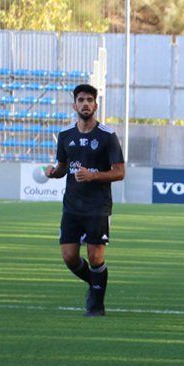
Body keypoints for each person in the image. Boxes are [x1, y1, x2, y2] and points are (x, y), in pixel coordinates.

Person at [45, 84, 125, 317]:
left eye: (89, 100)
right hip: (71, 206)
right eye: (81, 100)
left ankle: (96, 306)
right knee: (69, 257)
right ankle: (95, 284)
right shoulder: (65, 136)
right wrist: (52, 172)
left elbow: (119, 172)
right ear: (74, 105)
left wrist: (94, 175)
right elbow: (62, 168)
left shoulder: (107, 136)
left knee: (95, 256)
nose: (85, 104)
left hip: (97, 206)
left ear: (96, 105)